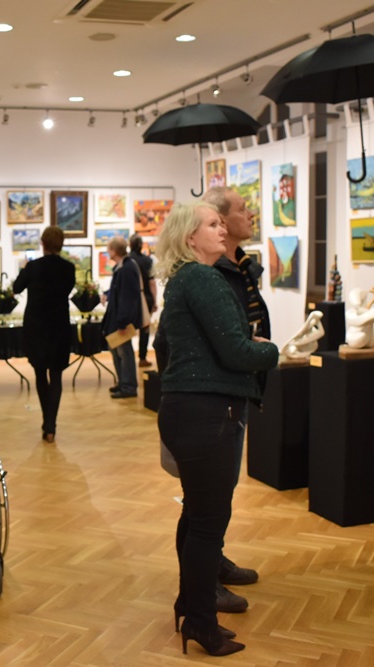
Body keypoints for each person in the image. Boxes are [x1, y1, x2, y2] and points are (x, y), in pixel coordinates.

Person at [155, 201, 278, 657]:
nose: (222, 229)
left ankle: (191, 607)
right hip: (207, 413)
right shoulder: (203, 278)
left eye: (221, 222)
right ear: (191, 237)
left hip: (191, 410)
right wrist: (270, 350)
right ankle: (201, 623)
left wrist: (246, 344)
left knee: (197, 515)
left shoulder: (185, 278)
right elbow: (236, 352)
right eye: (212, 224)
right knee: (208, 523)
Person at [199, 185, 273, 611]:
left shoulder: (240, 268)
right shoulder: (211, 275)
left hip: (236, 389)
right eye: (244, 209)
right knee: (207, 497)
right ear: (222, 222)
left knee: (221, 491)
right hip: (217, 397)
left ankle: (215, 562)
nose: (251, 214)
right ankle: (203, 583)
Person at [13, 226, 76, 442]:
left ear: (43, 243)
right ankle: (51, 426)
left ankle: (46, 421)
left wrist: (26, 269)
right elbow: (66, 290)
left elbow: (16, 288)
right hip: (59, 325)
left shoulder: (34, 267)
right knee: (56, 375)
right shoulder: (68, 268)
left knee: (40, 374)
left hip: (37, 327)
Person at [102, 236, 143, 399]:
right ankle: (122, 383)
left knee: (124, 352)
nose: (108, 252)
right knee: (117, 351)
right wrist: (107, 294)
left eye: (109, 249)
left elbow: (127, 297)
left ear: (114, 250)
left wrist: (122, 321)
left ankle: (128, 386)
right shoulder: (122, 267)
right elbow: (119, 290)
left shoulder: (127, 268)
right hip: (118, 318)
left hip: (122, 319)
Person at [128, 234, 157, 368]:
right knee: (145, 329)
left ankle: (128, 359)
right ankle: (142, 358)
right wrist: (154, 301)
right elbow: (152, 283)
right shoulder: (147, 260)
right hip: (146, 298)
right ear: (141, 245)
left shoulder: (127, 260)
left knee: (128, 328)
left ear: (130, 245)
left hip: (130, 299)